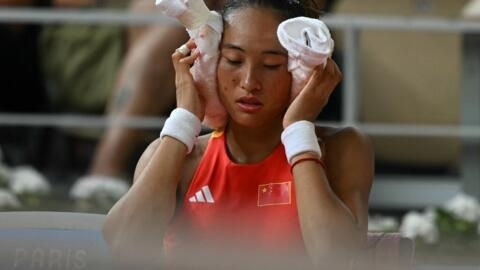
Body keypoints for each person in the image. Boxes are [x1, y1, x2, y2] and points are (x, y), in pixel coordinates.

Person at [102, 0, 374, 269]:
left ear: (302, 73)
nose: (249, 82)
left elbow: (335, 258)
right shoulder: (180, 157)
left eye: (270, 65)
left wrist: (299, 129)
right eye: (233, 60)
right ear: (209, 64)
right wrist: (183, 121)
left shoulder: (342, 150)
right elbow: (123, 244)